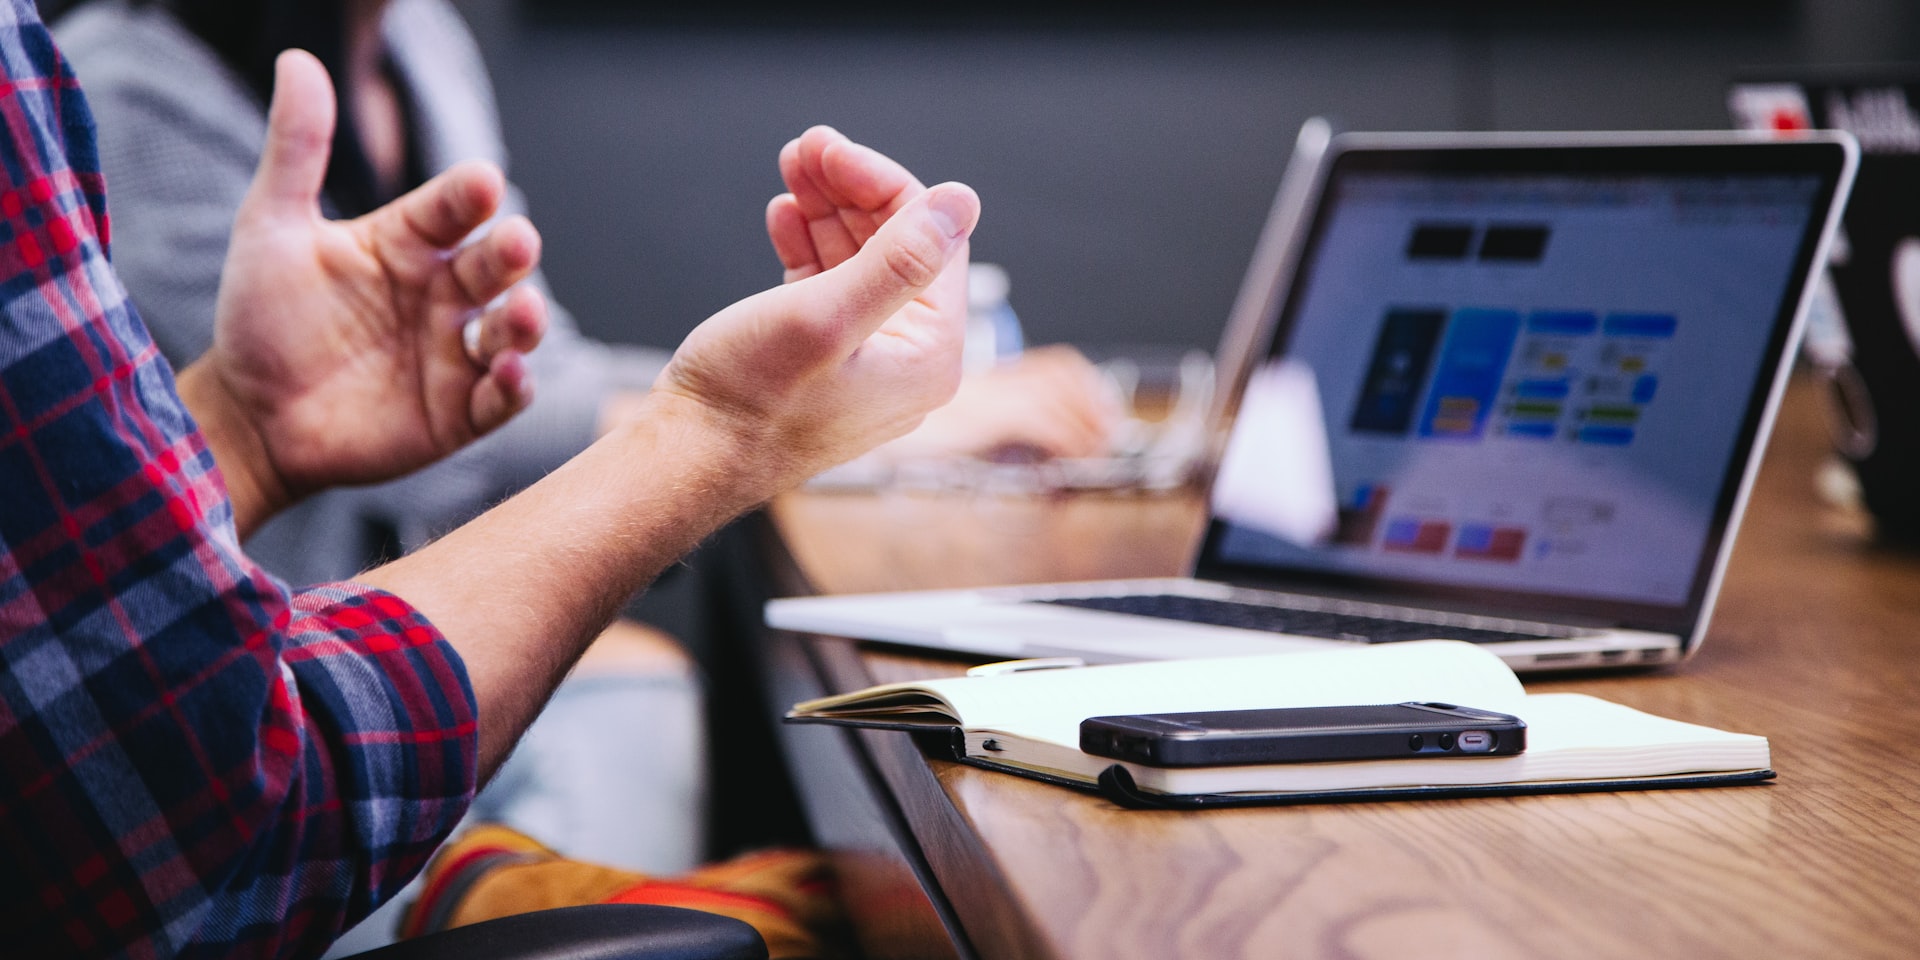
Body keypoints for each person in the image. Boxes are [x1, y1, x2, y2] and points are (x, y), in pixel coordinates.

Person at [52, 0, 1119, 889]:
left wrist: (797, 402)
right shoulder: (123, 89)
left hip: (358, 654)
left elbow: (513, 373)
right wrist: (778, 421)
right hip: (247, 717)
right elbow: (470, 441)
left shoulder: (418, 41)